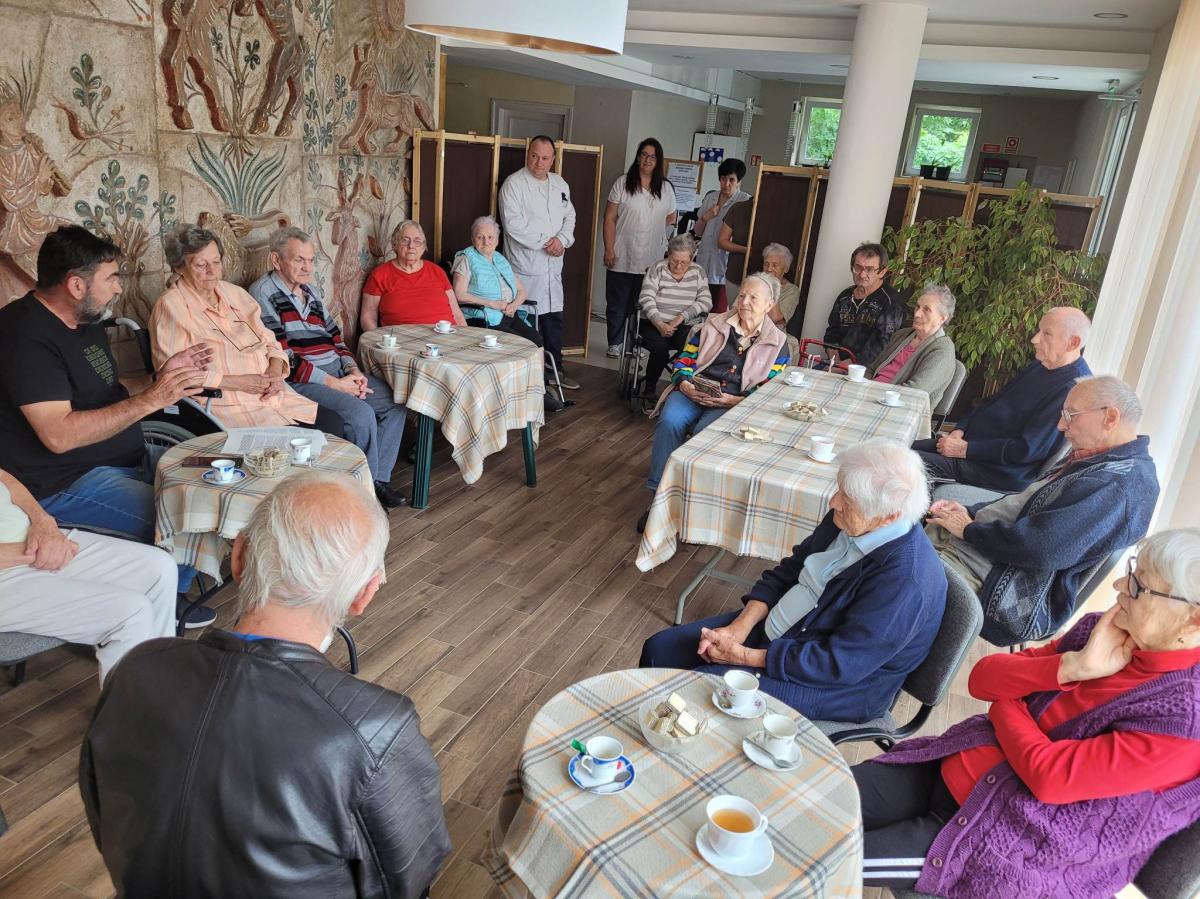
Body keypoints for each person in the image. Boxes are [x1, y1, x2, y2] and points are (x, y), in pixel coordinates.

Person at [79, 470, 452, 897]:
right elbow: (408, 881)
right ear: (363, 595)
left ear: (238, 556)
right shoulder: (377, 729)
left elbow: (102, 815)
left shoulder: (134, 670)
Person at [854, 527, 1200, 897]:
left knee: (824, 854)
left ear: (1193, 620)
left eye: (1139, 585)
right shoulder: (1102, 633)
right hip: (943, 769)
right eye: (1132, 571)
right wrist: (1071, 667)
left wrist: (1007, 703)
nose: (1119, 586)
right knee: (822, 799)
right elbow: (983, 679)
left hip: (994, 843)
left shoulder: (1183, 723)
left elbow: (1050, 777)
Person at [640, 439, 946, 723]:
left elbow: (839, 664)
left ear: (889, 516)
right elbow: (788, 572)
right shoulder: (851, 519)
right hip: (781, 633)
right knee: (660, 650)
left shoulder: (905, 581)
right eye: (839, 489)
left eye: (847, 499)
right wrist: (739, 628)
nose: (834, 502)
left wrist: (743, 656)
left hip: (832, 682)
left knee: (701, 692)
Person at [0, 225, 214, 627]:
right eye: (112, 278)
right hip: (65, 482)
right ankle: (162, 602)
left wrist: (160, 378)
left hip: (129, 456)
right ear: (76, 285)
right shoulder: (24, 336)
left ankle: (169, 585)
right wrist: (154, 399)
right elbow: (59, 435)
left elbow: (108, 392)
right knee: (182, 516)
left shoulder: (86, 323)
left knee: (212, 483)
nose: (118, 288)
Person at [927, 375, 1158, 645]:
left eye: (1070, 415)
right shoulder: (1101, 458)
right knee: (902, 539)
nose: (1061, 425)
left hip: (1002, 580)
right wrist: (971, 512)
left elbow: (1040, 547)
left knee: (900, 576)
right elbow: (1026, 503)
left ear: (1110, 417)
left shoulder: (1117, 485)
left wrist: (969, 529)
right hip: (989, 549)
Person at [248, 226, 408, 510]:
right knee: (360, 415)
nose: (307, 267)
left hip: (338, 374)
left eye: (310, 260)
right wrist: (336, 384)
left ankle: (376, 481)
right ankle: (363, 498)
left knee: (395, 401)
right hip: (303, 382)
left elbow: (336, 338)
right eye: (298, 259)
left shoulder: (310, 292)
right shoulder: (263, 294)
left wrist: (352, 370)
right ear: (276, 260)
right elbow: (284, 359)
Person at [151, 224, 344, 436]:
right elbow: (175, 376)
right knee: (302, 441)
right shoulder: (171, 307)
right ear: (179, 268)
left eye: (216, 262)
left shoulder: (235, 294)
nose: (212, 271)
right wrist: (237, 383)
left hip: (276, 398)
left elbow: (270, 340)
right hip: (228, 407)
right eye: (200, 264)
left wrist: (275, 372)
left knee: (333, 424)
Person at [639, 272, 789, 530]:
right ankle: (658, 499)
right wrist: (685, 384)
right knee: (670, 421)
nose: (744, 302)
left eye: (753, 298)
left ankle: (691, 505)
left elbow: (771, 387)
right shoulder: (714, 324)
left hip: (734, 402)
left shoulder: (778, 343)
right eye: (742, 295)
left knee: (704, 435)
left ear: (769, 304)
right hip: (693, 390)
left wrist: (738, 400)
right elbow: (684, 360)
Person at [0, 467, 174, 684]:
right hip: (8, 571)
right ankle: (130, 705)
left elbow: (5, 478)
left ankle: (160, 690)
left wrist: (43, 521)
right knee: (129, 613)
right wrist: (35, 552)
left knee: (159, 567)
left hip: (30, 539)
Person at [913, 306, 1092, 492]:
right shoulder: (1041, 365)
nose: (1034, 339)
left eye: (1046, 334)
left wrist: (965, 449)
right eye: (1039, 330)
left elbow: (1026, 449)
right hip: (967, 447)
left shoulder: (1072, 389)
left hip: (993, 471)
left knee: (898, 461)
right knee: (899, 443)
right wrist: (960, 429)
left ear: (1072, 343)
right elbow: (990, 402)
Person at [498, 135, 579, 391]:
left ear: (553, 159)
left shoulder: (560, 184)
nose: (539, 162)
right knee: (528, 322)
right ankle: (530, 378)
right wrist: (548, 242)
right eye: (534, 156)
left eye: (545, 158)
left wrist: (562, 240)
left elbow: (570, 217)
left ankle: (556, 370)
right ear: (528, 154)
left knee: (553, 318)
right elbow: (513, 225)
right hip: (526, 266)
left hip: (553, 266)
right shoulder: (514, 185)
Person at [602, 137, 677, 357]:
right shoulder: (623, 183)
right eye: (644, 154)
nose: (647, 160)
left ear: (658, 161)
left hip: (651, 258)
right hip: (622, 253)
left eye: (653, 156)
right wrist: (609, 249)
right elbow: (609, 218)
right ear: (637, 157)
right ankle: (615, 343)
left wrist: (651, 227)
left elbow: (671, 217)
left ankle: (635, 344)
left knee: (643, 304)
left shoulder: (665, 188)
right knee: (617, 303)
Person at [636, 233, 711, 397]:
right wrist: (659, 324)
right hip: (653, 323)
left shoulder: (698, 272)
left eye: (684, 262)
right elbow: (646, 298)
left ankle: (680, 387)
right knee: (660, 349)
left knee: (691, 347)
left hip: (684, 325)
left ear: (691, 258)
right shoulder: (657, 269)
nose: (678, 266)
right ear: (668, 255)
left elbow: (706, 302)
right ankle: (650, 387)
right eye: (674, 260)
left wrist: (681, 317)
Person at [451, 215, 542, 347]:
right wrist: (491, 303)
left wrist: (514, 305)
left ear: (497, 240)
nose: (486, 242)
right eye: (480, 237)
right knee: (517, 344)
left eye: (490, 237)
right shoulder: (465, 258)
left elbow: (521, 290)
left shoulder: (500, 259)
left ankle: (538, 361)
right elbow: (459, 295)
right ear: (472, 239)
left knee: (535, 339)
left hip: (508, 315)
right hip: (484, 318)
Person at [360, 220, 467, 331]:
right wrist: (378, 339)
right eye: (405, 240)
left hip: (447, 336)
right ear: (394, 244)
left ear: (424, 247)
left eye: (417, 241)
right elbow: (368, 317)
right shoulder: (380, 274)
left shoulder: (437, 272)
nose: (411, 246)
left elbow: (457, 314)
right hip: (404, 338)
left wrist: (467, 337)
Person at [867, 284, 957, 409]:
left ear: (942, 318)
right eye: (917, 307)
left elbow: (914, 392)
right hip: (871, 395)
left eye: (927, 309)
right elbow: (872, 369)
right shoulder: (902, 335)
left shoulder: (943, 350)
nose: (917, 314)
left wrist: (873, 393)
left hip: (899, 408)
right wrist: (861, 387)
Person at [823, 241, 905, 367]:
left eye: (869, 270)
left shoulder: (891, 302)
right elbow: (832, 333)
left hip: (868, 370)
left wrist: (848, 366)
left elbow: (882, 344)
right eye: (858, 268)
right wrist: (835, 362)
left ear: (882, 272)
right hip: (836, 363)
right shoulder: (844, 296)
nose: (862, 275)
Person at [692, 157, 750, 315]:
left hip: (725, 268)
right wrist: (706, 217)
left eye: (731, 180)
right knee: (698, 312)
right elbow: (698, 232)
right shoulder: (711, 197)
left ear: (739, 181)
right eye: (723, 179)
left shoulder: (744, 201)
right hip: (704, 262)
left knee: (717, 314)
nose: (726, 184)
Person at [717, 194, 753, 301]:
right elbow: (722, 242)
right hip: (736, 273)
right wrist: (746, 250)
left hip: (762, 278)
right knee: (734, 308)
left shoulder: (775, 210)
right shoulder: (738, 208)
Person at [760, 243, 801, 329]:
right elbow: (737, 309)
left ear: (786, 269)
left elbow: (776, 318)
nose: (769, 269)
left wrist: (772, 285)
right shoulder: (754, 283)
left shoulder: (792, 291)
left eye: (775, 265)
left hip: (773, 333)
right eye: (766, 264)